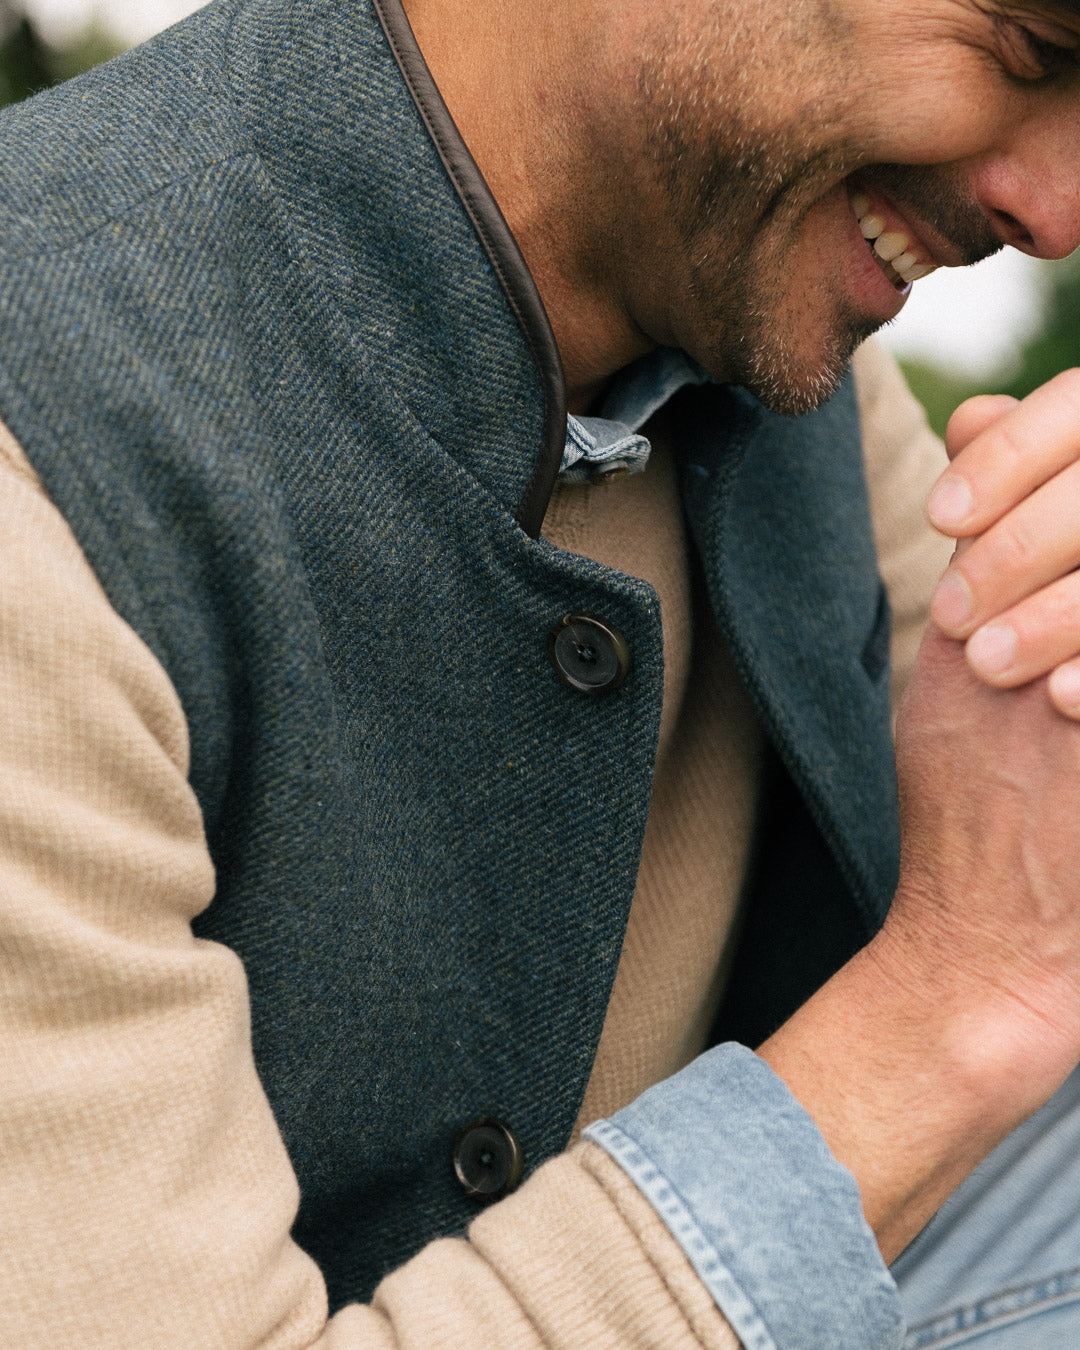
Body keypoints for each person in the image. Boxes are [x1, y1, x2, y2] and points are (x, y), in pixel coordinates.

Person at [3, 0, 1080, 1344]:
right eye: (1033, 50)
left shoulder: (782, 342)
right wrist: (951, 1013)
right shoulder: (37, 480)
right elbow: (1000, 964)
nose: (1059, 209)